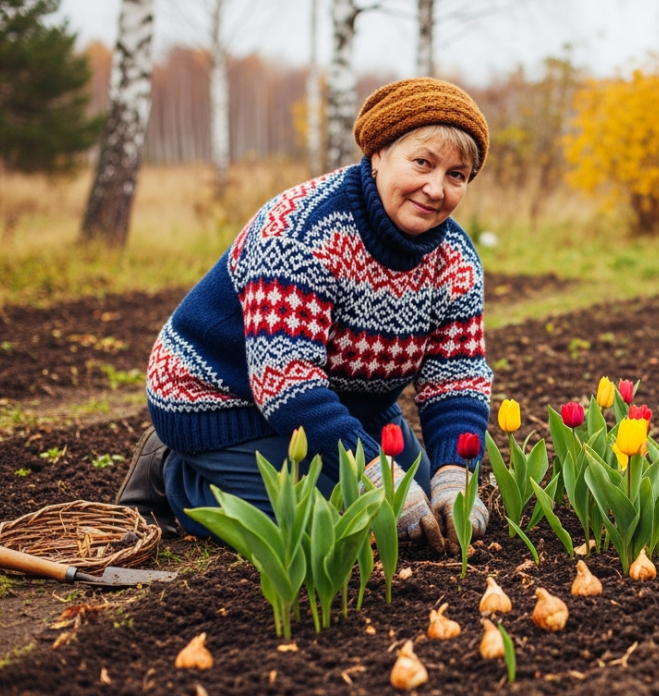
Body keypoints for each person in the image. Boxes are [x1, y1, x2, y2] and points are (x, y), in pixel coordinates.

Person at [116, 78, 492, 553]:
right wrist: (374, 475)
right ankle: (175, 477)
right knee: (345, 525)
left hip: (347, 403)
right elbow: (287, 382)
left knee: (425, 517)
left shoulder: (455, 259)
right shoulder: (300, 232)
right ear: (377, 154)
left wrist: (455, 473)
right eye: (422, 162)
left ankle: (263, 472)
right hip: (221, 400)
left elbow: (456, 377)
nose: (436, 188)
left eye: (456, 175)